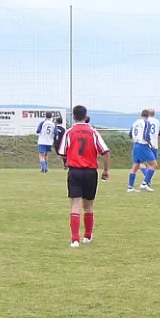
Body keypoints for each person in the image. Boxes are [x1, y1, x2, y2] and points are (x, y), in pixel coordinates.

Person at [58, 105, 110, 248]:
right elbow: (105, 152)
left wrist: (67, 160)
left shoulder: (69, 132)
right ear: (85, 115)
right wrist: (106, 170)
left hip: (74, 171)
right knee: (88, 206)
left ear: (73, 116)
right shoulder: (93, 132)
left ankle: (75, 239)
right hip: (90, 172)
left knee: (75, 204)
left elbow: (62, 152)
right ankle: (87, 236)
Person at [127, 109, 157, 193]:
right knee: (154, 164)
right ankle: (144, 183)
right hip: (143, 145)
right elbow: (146, 136)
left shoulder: (135, 122)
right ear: (148, 116)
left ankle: (130, 187)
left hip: (135, 144)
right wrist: (151, 145)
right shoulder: (146, 123)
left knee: (135, 165)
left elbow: (130, 134)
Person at [140, 108, 160, 186]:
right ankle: (147, 180)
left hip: (145, 144)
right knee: (152, 164)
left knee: (140, 162)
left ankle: (147, 179)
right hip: (154, 145)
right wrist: (157, 144)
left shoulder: (144, 121)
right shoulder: (158, 122)